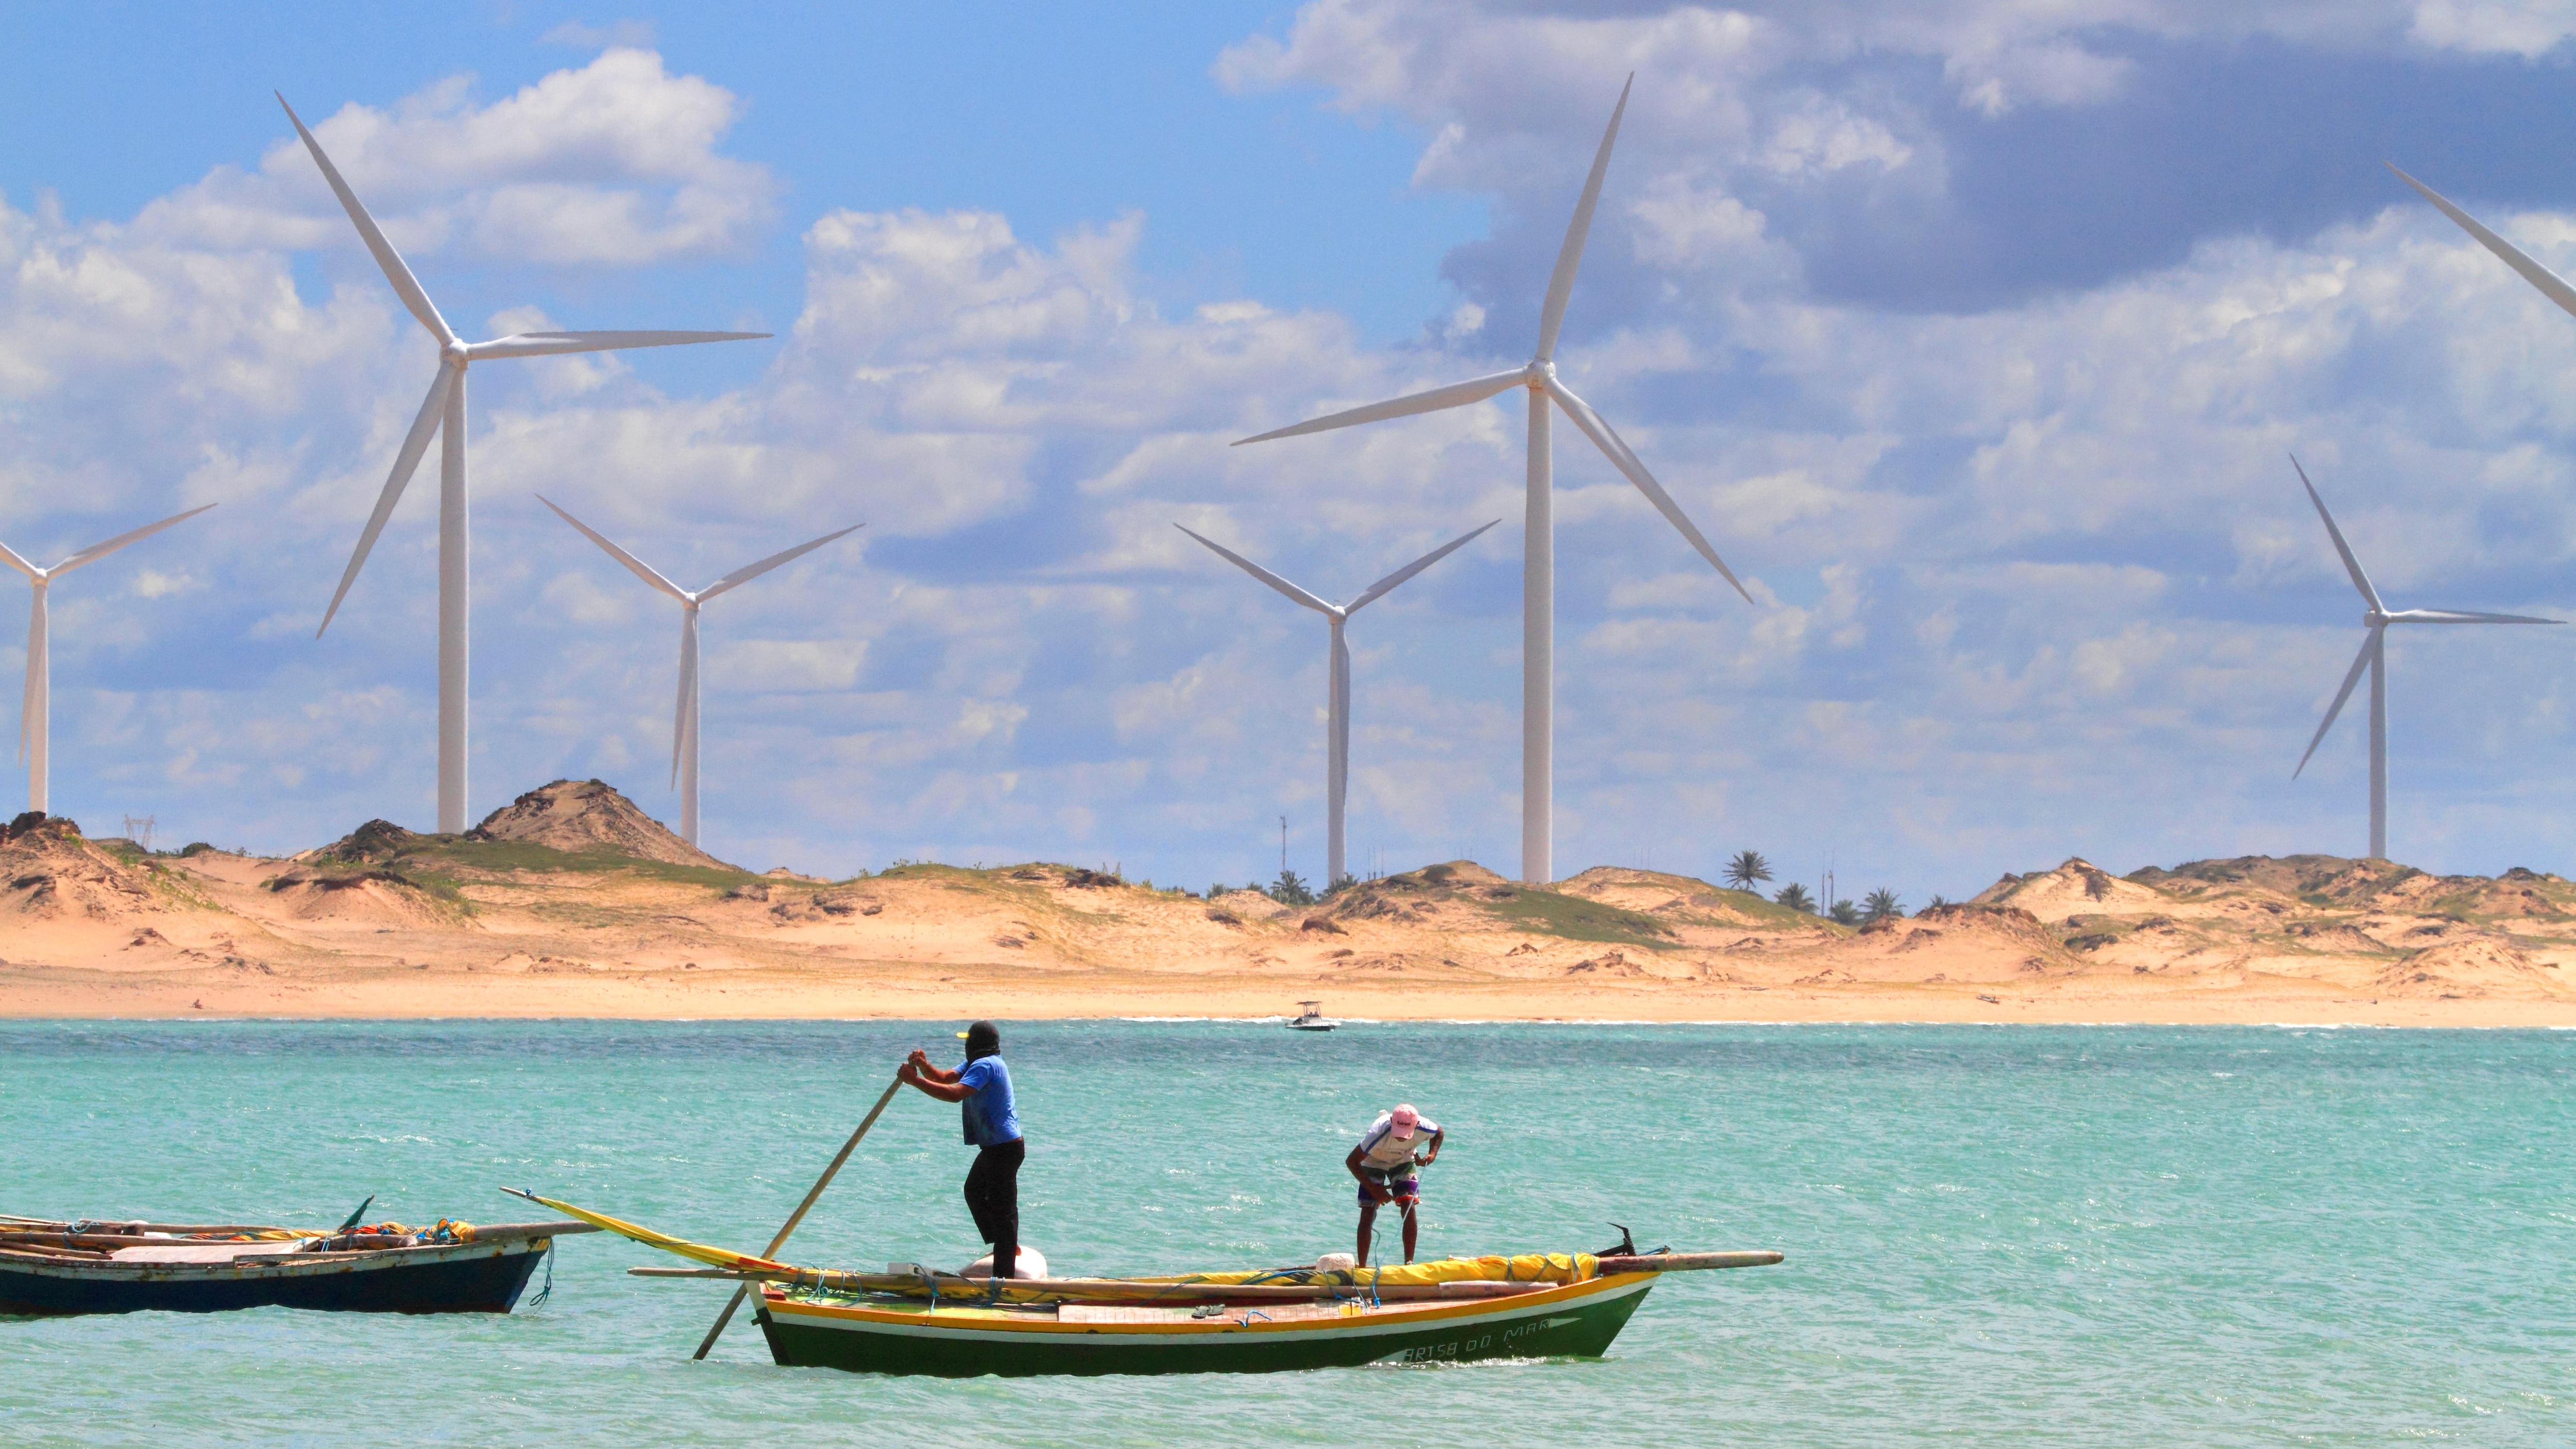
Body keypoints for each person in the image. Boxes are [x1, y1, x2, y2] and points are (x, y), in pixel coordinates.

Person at [898, 1020, 1024, 1281]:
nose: (966, 1045)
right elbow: (945, 1078)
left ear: (976, 1045)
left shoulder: (986, 1065)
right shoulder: (975, 1064)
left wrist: (915, 1082)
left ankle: (1004, 1279)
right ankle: (1004, 1246)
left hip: (1005, 1148)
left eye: (969, 1041)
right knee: (974, 1191)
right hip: (995, 1148)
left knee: (1004, 1213)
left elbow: (955, 1094)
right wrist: (924, 1066)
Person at [1346, 1103, 1442, 1266]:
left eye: (1405, 1133)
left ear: (1417, 1125)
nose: (1400, 1137)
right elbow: (1352, 1161)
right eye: (1398, 1132)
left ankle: (1409, 1262)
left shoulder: (1425, 1126)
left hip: (1403, 1161)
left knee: (1409, 1204)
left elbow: (1439, 1133)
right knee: (1368, 1211)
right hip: (1373, 1162)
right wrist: (1373, 1189)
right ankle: (1363, 1266)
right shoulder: (1378, 1131)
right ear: (1392, 1121)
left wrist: (1432, 1154)